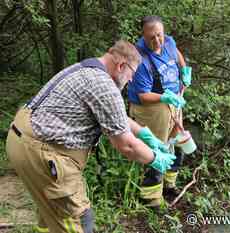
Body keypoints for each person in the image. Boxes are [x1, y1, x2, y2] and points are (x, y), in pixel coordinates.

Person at [6, 40, 176, 233]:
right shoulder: (104, 86)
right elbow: (127, 146)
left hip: (22, 141)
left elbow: (114, 115)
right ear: (121, 65)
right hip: (44, 153)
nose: (131, 80)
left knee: (50, 215)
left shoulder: (87, 68)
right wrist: (155, 159)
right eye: (132, 74)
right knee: (78, 219)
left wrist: (145, 134)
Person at [128, 16, 192, 208]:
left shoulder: (169, 42)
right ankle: (151, 198)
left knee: (177, 141)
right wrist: (165, 97)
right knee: (158, 148)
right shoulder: (140, 59)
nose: (157, 41)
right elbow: (143, 95)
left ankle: (169, 186)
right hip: (151, 108)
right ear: (143, 36)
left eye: (159, 35)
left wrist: (184, 70)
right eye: (151, 38)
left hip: (174, 103)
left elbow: (177, 54)